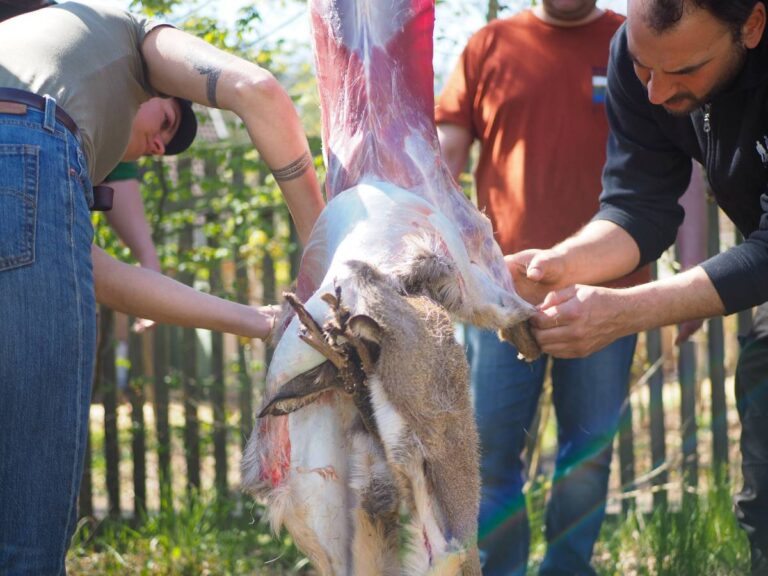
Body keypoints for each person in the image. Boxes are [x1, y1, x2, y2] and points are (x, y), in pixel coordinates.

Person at [0, 2, 324, 573]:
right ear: (156, 88)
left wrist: (258, 321)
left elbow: (98, 273)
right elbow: (258, 88)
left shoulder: (34, 68)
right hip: (26, 133)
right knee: (28, 502)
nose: (158, 148)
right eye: (168, 126)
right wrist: (323, 257)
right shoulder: (131, 36)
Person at [503, 1, 768, 573]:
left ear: (752, 24)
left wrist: (628, 310)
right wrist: (559, 263)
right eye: (646, 69)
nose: (655, 94)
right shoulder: (636, 55)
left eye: (684, 71)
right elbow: (637, 205)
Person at [435, 1, 648, 574]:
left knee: (586, 455)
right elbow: (444, 160)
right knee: (490, 453)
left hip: (609, 292)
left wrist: (691, 263)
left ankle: (567, 568)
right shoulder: (489, 45)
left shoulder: (635, 41)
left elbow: (681, 164)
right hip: (499, 297)